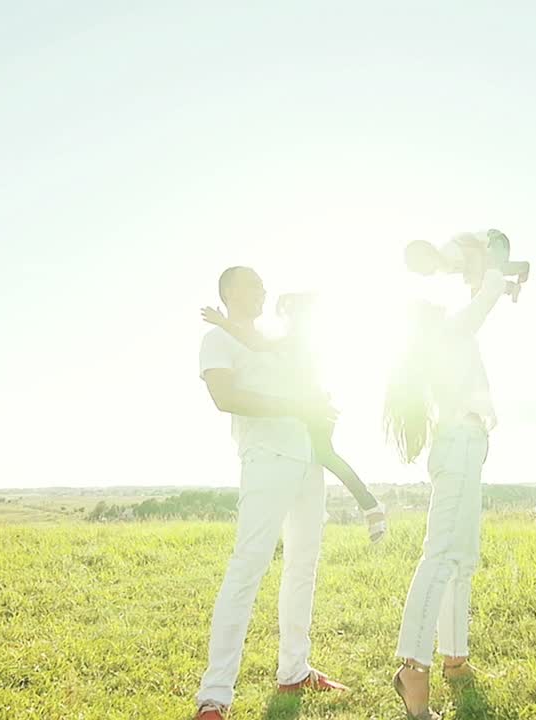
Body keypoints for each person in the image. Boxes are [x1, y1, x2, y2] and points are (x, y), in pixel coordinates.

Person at [193, 266, 350, 720]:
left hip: (306, 461)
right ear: (228, 292)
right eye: (252, 285)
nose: (263, 291)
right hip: (266, 460)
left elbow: (305, 388)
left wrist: (318, 409)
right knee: (248, 566)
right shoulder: (217, 340)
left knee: (304, 565)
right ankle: (215, 696)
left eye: (264, 285)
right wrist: (296, 406)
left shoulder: (275, 342)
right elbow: (225, 397)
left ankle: (294, 670)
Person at [384, 264, 512, 720]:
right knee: (441, 557)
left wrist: (487, 277)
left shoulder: (450, 337)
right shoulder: (450, 332)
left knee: (462, 558)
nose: (442, 305)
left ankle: (454, 659)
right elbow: (488, 290)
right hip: (458, 443)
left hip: (464, 442)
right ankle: (412, 670)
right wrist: (488, 268)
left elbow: (486, 288)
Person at [199, 291, 388, 542]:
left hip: (312, 409)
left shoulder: (297, 339)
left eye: (289, 312)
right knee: (318, 457)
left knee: (323, 454)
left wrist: (223, 323)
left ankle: (370, 506)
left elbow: (255, 344)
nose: (285, 317)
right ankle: (336, 511)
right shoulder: (293, 339)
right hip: (311, 407)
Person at [404, 228, 529, 301]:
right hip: (484, 256)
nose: (422, 273)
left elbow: (474, 253)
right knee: (486, 279)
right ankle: (511, 288)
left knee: (494, 270)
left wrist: (475, 283)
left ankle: (523, 267)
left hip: (494, 240)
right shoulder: (445, 268)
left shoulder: (450, 251)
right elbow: (470, 271)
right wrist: (476, 287)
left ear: (429, 254)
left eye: (420, 267)